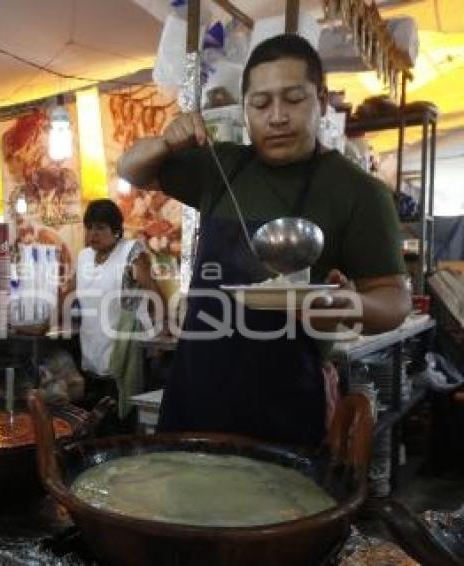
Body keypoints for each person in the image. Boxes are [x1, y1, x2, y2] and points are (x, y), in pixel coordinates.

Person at [118, 34, 410, 446]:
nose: (276, 117)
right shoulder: (222, 166)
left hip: (284, 404)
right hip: (195, 393)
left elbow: (394, 300)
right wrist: (166, 141)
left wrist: (349, 306)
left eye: (293, 99)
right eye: (260, 104)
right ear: (245, 109)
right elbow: (131, 170)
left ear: (321, 100)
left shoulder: (358, 192)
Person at [62, 199, 165, 421]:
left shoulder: (131, 253)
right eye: (89, 227)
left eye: (100, 228)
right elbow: (68, 292)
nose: (92, 234)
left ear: (116, 230)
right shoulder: (84, 257)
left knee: (124, 413)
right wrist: (45, 323)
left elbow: (154, 292)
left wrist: (161, 331)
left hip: (127, 345)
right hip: (92, 343)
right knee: (97, 413)